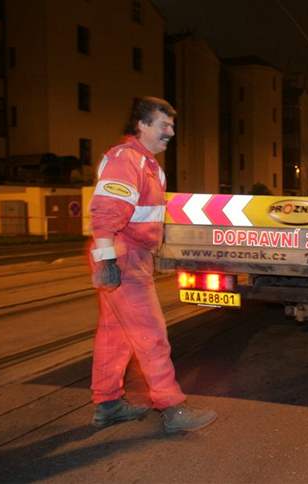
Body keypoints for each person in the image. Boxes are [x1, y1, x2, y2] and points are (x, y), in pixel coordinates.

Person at [89, 96, 217, 433]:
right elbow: (105, 211)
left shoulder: (145, 164)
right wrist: (106, 260)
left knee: (114, 335)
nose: (171, 132)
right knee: (151, 334)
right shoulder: (126, 159)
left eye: (172, 125)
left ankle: (108, 404)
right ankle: (171, 408)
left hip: (130, 255)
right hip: (123, 256)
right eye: (164, 125)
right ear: (142, 125)